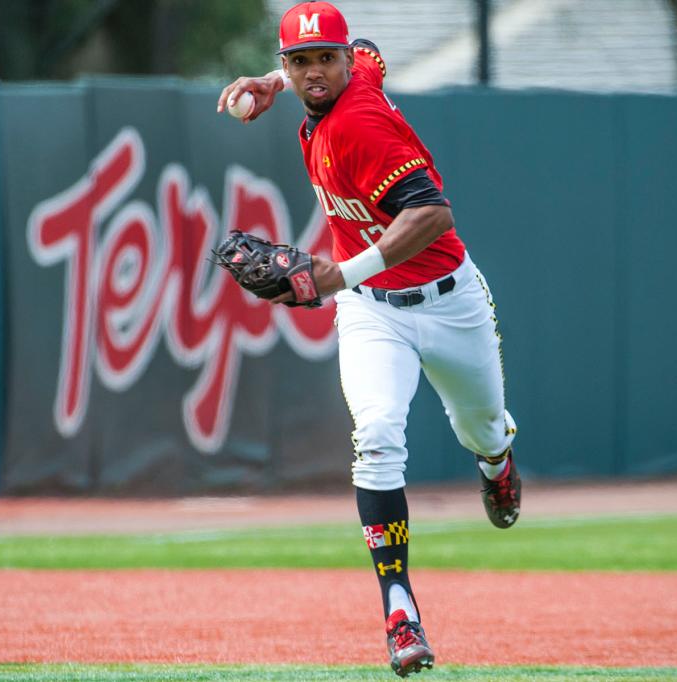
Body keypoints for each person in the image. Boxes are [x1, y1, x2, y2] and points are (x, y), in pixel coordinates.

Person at [217, 2, 521, 676]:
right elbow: (359, 53)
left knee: (483, 430)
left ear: (345, 61)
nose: (314, 71)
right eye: (301, 61)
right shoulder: (354, 76)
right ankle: (400, 612)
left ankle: (496, 462)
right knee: (377, 434)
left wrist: (336, 276)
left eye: (326, 58)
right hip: (370, 311)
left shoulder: (361, 123)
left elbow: (433, 213)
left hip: (449, 304)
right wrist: (275, 80)